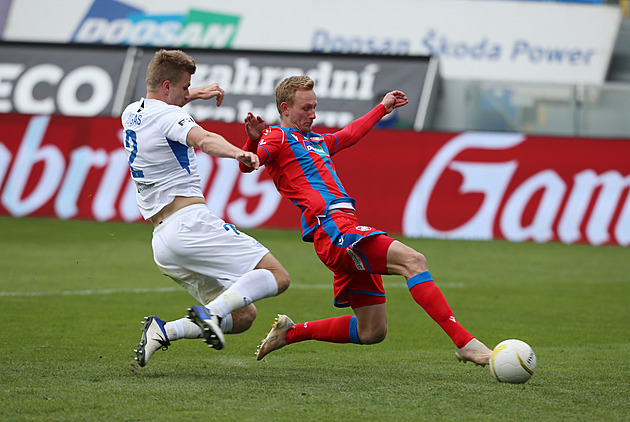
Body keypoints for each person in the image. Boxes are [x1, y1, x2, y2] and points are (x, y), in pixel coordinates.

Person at [239, 76, 492, 366]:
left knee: (372, 331)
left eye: (315, 107)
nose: (313, 114)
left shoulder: (317, 141)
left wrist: (382, 108)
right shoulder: (277, 136)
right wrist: (254, 138)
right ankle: (465, 343)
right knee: (414, 261)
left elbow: (350, 134)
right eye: (306, 108)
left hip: (341, 230)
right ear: (285, 108)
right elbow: (250, 163)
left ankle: (291, 333)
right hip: (334, 229)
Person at [122, 49, 290, 367]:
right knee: (277, 276)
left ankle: (163, 331)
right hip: (190, 225)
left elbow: (167, 106)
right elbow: (203, 138)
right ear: (168, 85)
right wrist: (239, 154)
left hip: (163, 243)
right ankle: (210, 314)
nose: (188, 92)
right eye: (185, 86)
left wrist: (196, 93)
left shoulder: (132, 112)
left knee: (243, 315)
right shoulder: (170, 117)